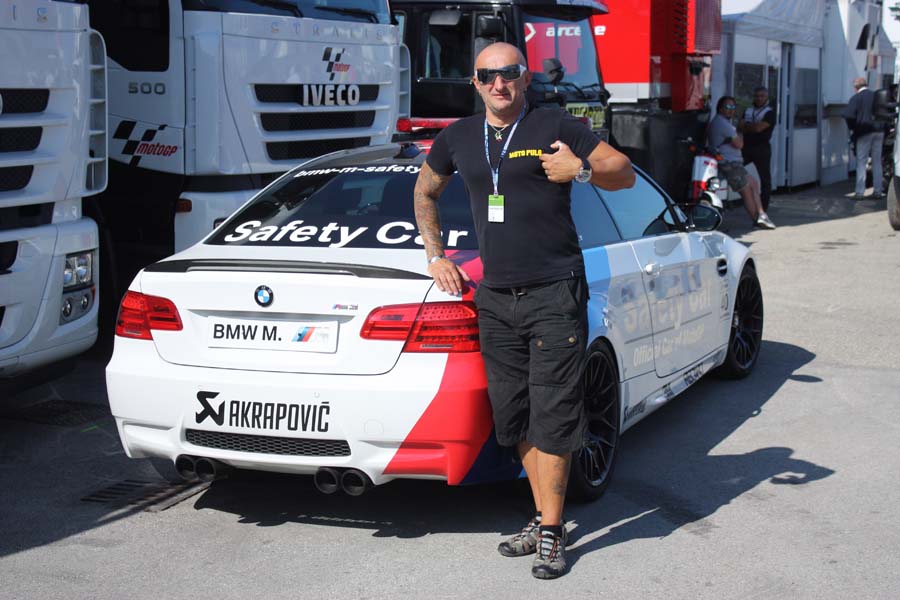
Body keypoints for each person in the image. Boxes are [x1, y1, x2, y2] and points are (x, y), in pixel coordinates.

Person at [413, 42, 634, 579]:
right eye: (487, 75)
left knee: (554, 413)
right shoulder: (458, 137)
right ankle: (543, 516)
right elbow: (425, 192)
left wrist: (581, 170)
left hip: (554, 292)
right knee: (516, 417)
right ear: (475, 82)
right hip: (495, 297)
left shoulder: (554, 124)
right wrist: (436, 257)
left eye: (508, 73)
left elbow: (623, 171)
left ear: (525, 76)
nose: (499, 84)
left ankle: (552, 532)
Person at [708, 96, 776, 229]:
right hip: (729, 163)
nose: (731, 110)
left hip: (734, 163)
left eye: (733, 107)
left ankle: (761, 214)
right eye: (728, 107)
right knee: (746, 190)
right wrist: (740, 130)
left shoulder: (723, 122)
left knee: (753, 183)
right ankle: (757, 219)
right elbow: (739, 144)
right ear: (720, 109)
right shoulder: (723, 124)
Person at [844, 76, 886, 199]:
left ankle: (859, 192)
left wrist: (854, 128)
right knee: (877, 162)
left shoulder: (856, 98)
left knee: (861, 162)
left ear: (855, 88)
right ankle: (878, 191)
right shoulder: (876, 96)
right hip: (879, 131)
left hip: (864, 132)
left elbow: (849, 115)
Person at [739, 86, 776, 211]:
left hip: (762, 148)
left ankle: (763, 209)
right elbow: (740, 126)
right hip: (746, 147)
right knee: (734, 169)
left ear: (766, 98)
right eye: (757, 96)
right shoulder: (748, 110)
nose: (759, 98)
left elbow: (758, 128)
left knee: (765, 179)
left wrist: (748, 126)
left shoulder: (769, 112)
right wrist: (752, 127)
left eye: (762, 96)